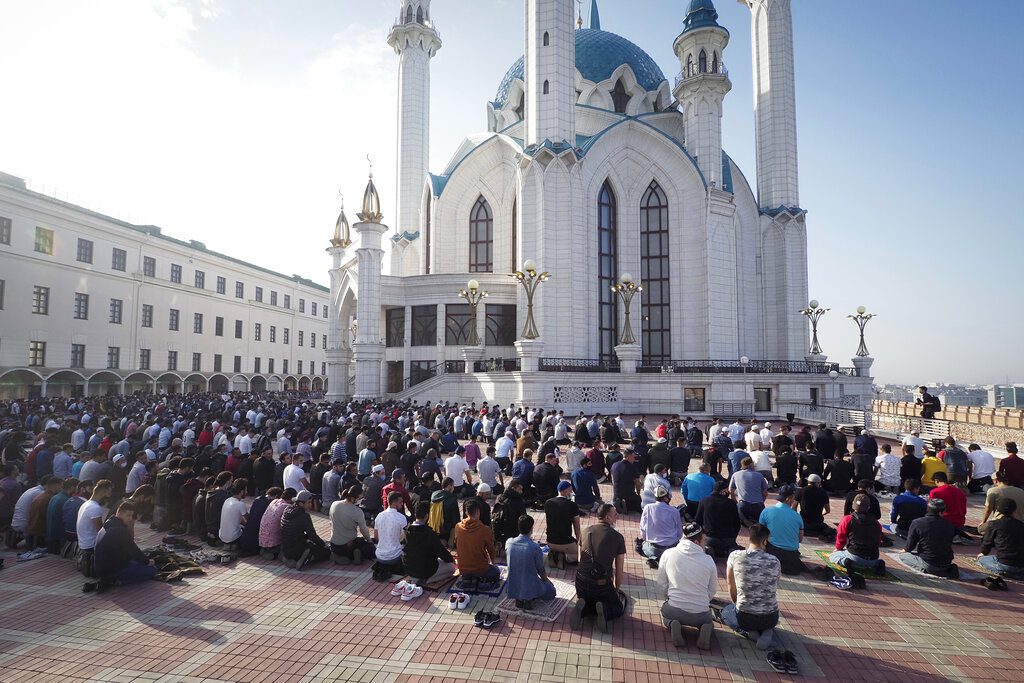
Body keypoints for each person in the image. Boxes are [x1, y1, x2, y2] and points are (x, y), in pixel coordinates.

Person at [720, 524, 781, 651]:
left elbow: (731, 585)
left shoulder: (735, 556)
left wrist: (737, 604)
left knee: (726, 612)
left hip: (746, 616)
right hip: (771, 616)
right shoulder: (775, 560)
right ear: (765, 541)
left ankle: (749, 633)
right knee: (764, 617)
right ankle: (767, 631)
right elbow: (773, 586)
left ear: (750, 538)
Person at [656, 522, 717, 649]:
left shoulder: (668, 554)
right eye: (704, 539)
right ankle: (705, 628)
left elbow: (662, 582)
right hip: (701, 612)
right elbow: (712, 590)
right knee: (709, 622)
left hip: (674, 609)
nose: (706, 542)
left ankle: (673, 624)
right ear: (696, 541)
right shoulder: (709, 560)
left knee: (664, 613)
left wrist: (668, 597)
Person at [570, 503, 627, 633]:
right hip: (601, 586)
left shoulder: (586, 531)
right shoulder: (618, 537)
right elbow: (619, 570)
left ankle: (584, 608)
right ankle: (604, 610)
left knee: (589, 599)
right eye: (615, 514)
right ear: (607, 517)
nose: (617, 516)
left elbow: (579, 560)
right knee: (617, 607)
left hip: (581, 582)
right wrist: (616, 589)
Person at [92, 500, 156, 589]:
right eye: (128, 515)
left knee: (137, 563)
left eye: (131, 516)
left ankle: (114, 579)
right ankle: (118, 581)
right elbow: (134, 551)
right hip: (112, 571)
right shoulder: (120, 530)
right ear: (119, 513)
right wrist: (147, 562)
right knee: (152, 570)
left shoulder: (108, 523)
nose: (130, 518)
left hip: (101, 569)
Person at [506, 514, 557, 610]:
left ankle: (520, 598)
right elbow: (540, 570)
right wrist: (547, 581)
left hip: (513, 585)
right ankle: (529, 598)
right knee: (551, 591)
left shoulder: (509, 543)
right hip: (531, 585)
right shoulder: (534, 547)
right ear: (531, 529)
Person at [900, 498, 958, 578]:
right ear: (941, 512)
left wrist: (905, 550)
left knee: (903, 556)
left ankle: (925, 569)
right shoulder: (949, 524)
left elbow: (910, 545)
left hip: (929, 562)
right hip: (947, 562)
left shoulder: (917, 522)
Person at [831, 493, 886, 575]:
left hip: (855, 556)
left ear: (853, 505)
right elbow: (877, 542)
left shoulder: (848, 519)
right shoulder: (876, 523)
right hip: (873, 558)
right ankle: (878, 563)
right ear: (868, 507)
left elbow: (841, 537)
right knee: (869, 561)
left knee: (833, 556)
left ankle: (845, 561)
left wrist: (838, 548)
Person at [404, 500, 457, 585]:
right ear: (427, 516)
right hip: (425, 569)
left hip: (409, 568)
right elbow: (441, 552)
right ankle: (426, 580)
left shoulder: (407, 530)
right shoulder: (428, 533)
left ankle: (418, 578)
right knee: (451, 568)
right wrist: (451, 560)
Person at [758, 485, 807, 575]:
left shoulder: (766, 511)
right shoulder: (797, 516)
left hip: (773, 552)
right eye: (793, 497)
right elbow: (800, 539)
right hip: (791, 555)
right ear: (788, 498)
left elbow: (760, 533)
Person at [280, 490, 331, 570]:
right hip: (297, 548)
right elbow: (312, 536)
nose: (311, 505)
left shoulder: (287, 510)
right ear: (301, 503)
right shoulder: (304, 516)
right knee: (325, 552)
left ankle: (287, 558)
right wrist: (324, 545)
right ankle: (306, 558)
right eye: (309, 503)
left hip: (285, 547)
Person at [453, 499, 499, 584]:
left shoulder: (458, 527)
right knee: (496, 572)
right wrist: (493, 562)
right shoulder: (485, 529)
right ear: (478, 512)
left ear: (466, 513)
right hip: (480, 569)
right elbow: (491, 549)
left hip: (463, 570)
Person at [977, 498, 1024, 579]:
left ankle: (1004, 572)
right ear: (1014, 511)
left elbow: (987, 543)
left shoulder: (994, 524)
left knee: (981, 559)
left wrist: (983, 553)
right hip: (1021, 564)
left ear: (998, 510)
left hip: (1004, 563)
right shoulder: (1021, 525)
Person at [696, 480, 742, 559]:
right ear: (723, 491)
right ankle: (730, 550)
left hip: (710, 538)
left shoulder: (704, 501)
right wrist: (733, 537)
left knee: (708, 544)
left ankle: (709, 549)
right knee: (729, 546)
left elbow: (698, 520)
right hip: (729, 538)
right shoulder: (731, 503)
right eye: (727, 490)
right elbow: (737, 524)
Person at [329, 485, 375, 564]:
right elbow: (364, 530)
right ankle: (355, 554)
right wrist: (369, 541)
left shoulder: (334, 504)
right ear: (353, 498)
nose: (361, 500)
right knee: (369, 548)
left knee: (356, 543)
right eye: (360, 498)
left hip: (334, 544)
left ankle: (339, 556)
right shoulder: (357, 512)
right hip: (349, 545)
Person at [639, 485, 682, 566]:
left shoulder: (647, 508)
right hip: (672, 548)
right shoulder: (674, 511)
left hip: (654, 548)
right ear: (666, 498)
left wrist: (646, 540)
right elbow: (679, 533)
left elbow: (643, 529)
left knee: (640, 545)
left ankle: (654, 558)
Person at [544, 480, 581, 568]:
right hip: (566, 542)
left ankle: (555, 555)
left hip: (550, 541)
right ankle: (565, 557)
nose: (572, 492)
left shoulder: (548, 503)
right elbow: (577, 528)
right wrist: (580, 543)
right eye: (570, 490)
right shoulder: (572, 505)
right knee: (584, 555)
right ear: (565, 491)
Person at [978, 470, 1024, 535]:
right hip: (1020, 524)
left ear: (996, 480)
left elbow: (988, 509)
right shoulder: (1021, 491)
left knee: (981, 529)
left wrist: (983, 522)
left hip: (1000, 523)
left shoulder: (993, 490)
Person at [928, 472, 969, 541]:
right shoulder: (960, 492)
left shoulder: (935, 492)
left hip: (944, 522)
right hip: (959, 523)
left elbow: (932, 510)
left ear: (937, 481)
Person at [729, 458, 768, 525]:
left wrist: (735, 502)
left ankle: (746, 523)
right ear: (751, 464)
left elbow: (730, 490)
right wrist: (761, 501)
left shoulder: (735, 475)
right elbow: (765, 493)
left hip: (743, 505)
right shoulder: (759, 475)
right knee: (760, 521)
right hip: (758, 505)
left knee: (741, 518)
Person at [491, 479, 528, 550]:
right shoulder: (518, 502)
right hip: (513, 532)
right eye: (520, 489)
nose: (521, 491)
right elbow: (523, 519)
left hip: (500, 530)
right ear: (513, 488)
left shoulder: (499, 498)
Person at [258, 488, 294, 558]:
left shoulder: (274, 501)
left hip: (262, 541)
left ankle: (265, 551)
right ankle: (274, 553)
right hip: (273, 544)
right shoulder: (286, 507)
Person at [610, 448, 642, 514]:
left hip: (617, 494)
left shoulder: (614, 465)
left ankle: (618, 502)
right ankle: (627, 506)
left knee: (620, 495)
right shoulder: (632, 468)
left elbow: (613, 479)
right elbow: (637, 483)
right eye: (633, 457)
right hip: (629, 494)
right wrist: (638, 494)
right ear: (628, 457)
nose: (634, 459)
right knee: (638, 501)